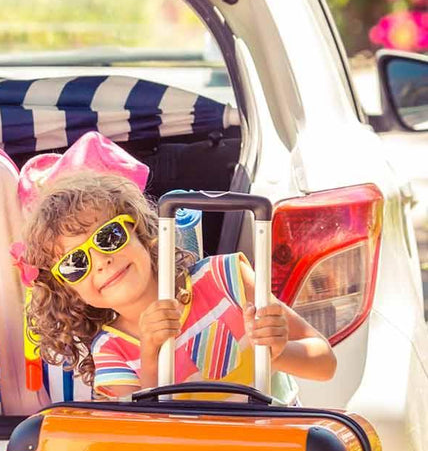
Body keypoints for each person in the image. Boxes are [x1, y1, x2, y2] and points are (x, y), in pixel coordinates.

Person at [17, 171, 337, 400]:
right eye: (76, 263)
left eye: (109, 237)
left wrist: (278, 352)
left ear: (141, 231)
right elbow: (141, 437)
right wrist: (151, 357)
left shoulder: (226, 277)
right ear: (67, 290)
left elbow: (325, 363)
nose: (101, 261)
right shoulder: (111, 352)